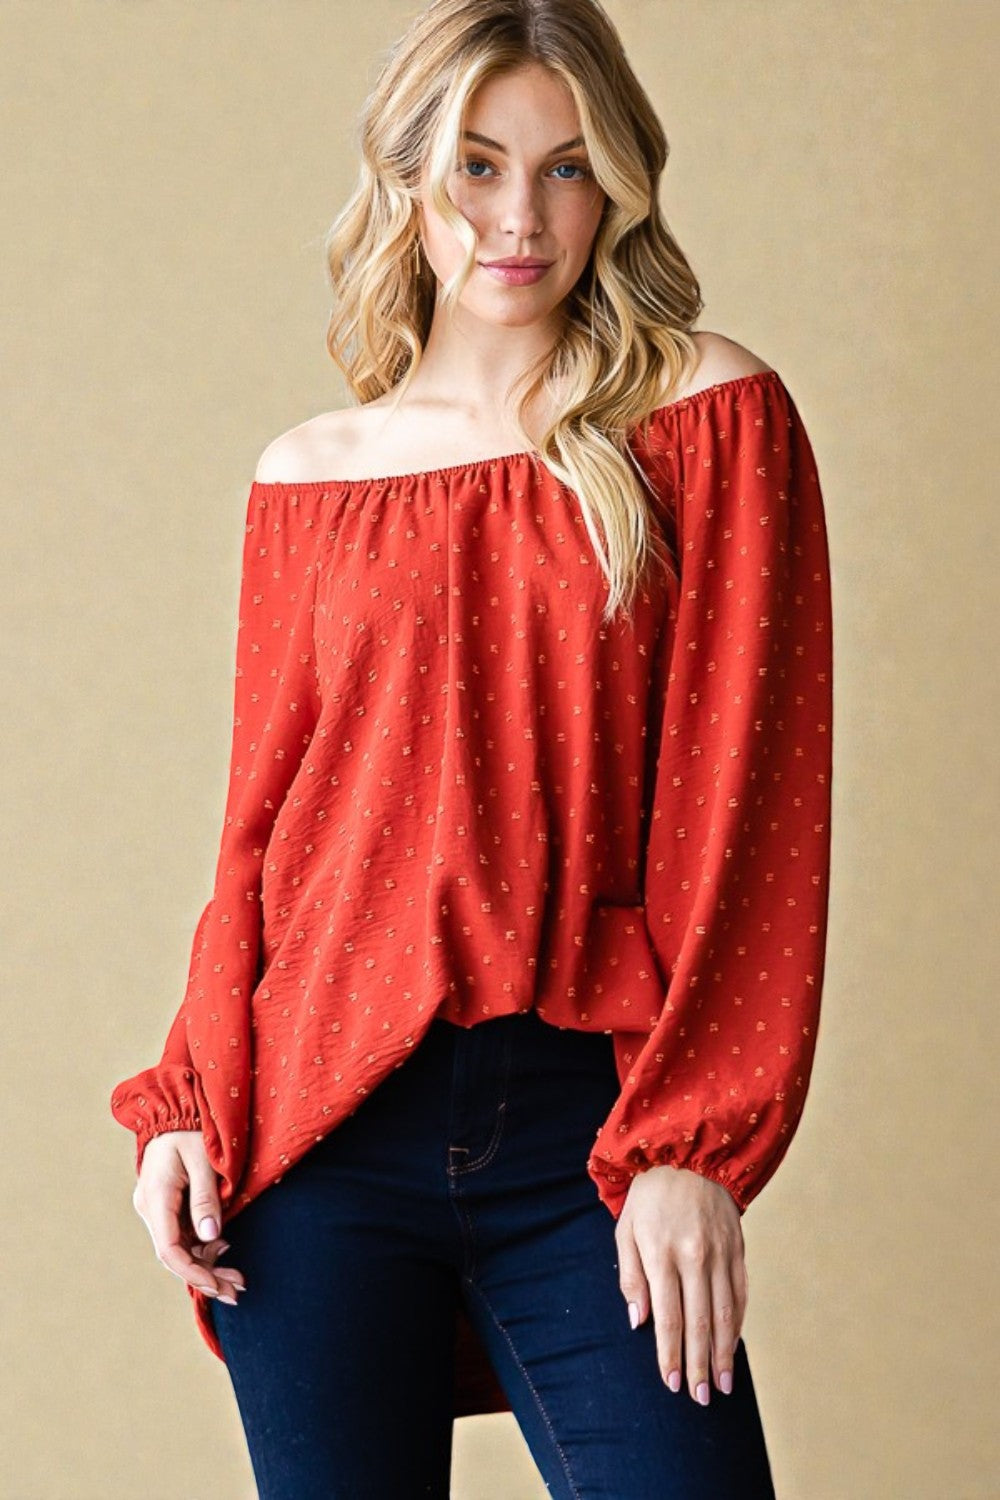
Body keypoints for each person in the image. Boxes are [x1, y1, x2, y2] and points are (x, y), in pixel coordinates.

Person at [109, 2, 833, 1495]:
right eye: (477, 168)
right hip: (318, 1142)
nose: (521, 217)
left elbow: (747, 805)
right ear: (406, 183)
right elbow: (263, 840)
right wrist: (189, 1095)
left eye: (568, 170)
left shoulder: (705, 415)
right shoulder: (310, 475)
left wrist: (693, 1138)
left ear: (618, 185)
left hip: (583, 1123)